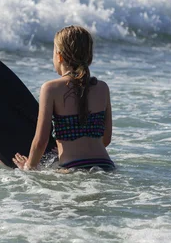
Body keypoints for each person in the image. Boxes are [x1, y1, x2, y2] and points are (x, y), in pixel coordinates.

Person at [12, 25, 114, 171]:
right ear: (89, 56)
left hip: (72, 167)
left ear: (59, 56)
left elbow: (41, 141)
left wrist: (29, 166)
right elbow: (106, 139)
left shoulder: (51, 88)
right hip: (106, 165)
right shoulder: (103, 88)